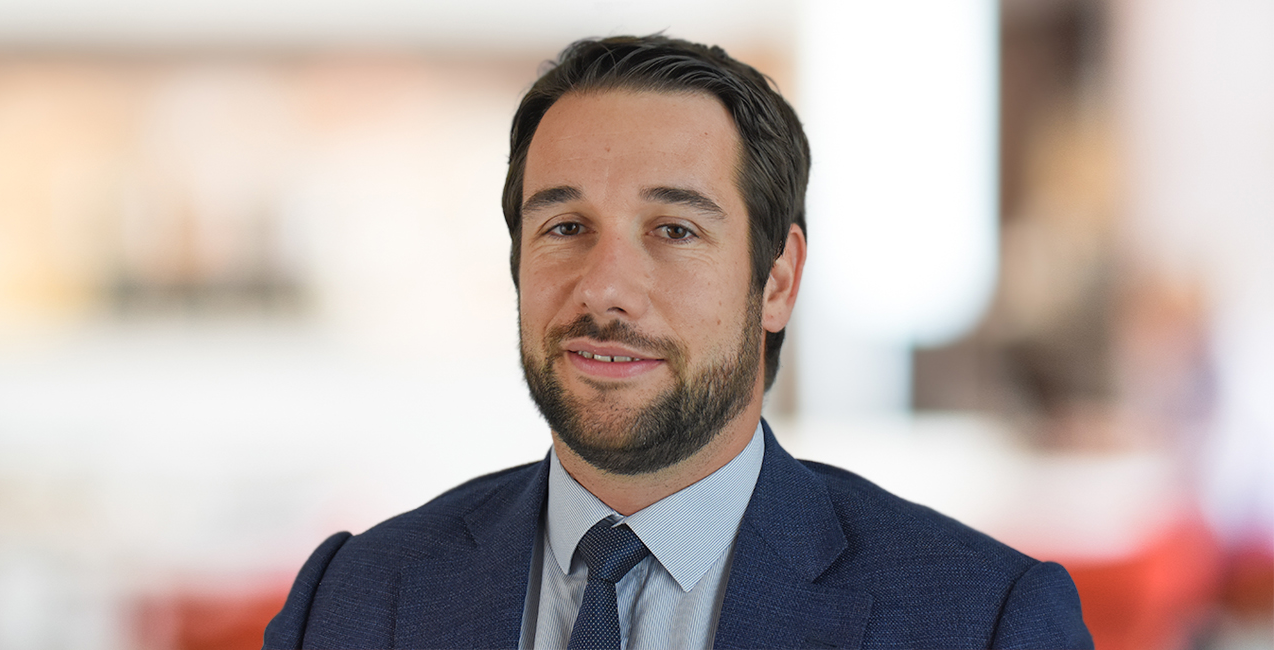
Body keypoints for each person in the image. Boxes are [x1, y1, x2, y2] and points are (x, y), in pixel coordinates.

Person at [263, 35, 1093, 649]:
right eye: (563, 226)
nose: (606, 288)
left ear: (776, 281)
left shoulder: (983, 622)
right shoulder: (352, 603)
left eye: (673, 229)